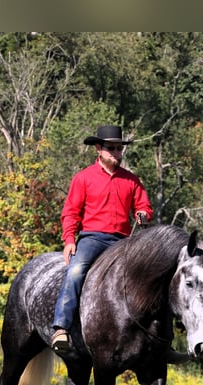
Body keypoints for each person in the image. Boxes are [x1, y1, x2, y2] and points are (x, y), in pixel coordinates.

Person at [51, 125, 153, 353]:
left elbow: (144, 206)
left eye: (119, 149)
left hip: (124, 241)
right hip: (92, 238)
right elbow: (71, 213)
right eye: (111, 148)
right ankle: (61, 328)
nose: (117, 153)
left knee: (150, 276)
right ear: (98, 148)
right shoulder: (83, 178)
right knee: (76, 271)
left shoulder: (132, 180)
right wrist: (69, 240)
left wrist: (143, 214)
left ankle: (153, 338)